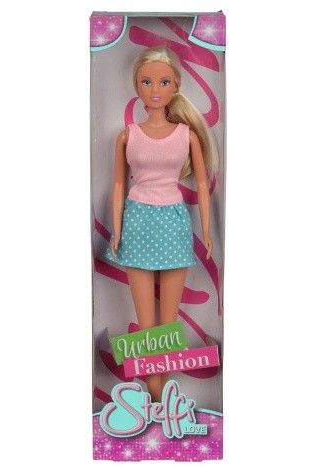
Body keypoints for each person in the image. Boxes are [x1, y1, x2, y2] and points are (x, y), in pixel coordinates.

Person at [105, 46, 215, 401]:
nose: (155, 89)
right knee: (146, 325)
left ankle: (160, 400)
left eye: (164, 82)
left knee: (168, 325)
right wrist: (117, 230)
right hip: (137, 221)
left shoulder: (186, 135)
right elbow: (118, 185)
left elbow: (202, 184)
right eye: (147, 81)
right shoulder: (128, 135)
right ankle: (156, 400)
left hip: (173, 222)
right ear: (136, 86)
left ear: (176, 86)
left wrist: (207, 231)